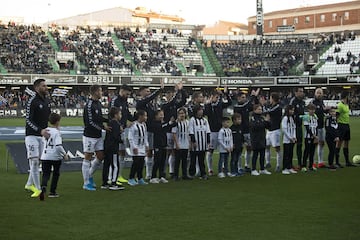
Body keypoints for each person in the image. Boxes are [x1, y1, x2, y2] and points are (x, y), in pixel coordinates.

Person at [24, 78, 51, 198]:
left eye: (46, 86)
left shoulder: (46, 101)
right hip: (31, 136)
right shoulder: (32, 101)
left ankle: (29, 184)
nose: (46, 88)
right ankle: (39, 190)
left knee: (37, 162)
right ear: (36, 88)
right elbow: (28, 120)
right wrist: (39, 130)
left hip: (42, 136)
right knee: (34, 161)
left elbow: (46, 118)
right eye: (43, 86)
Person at [82, 84, 110, 191]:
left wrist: (108, 120)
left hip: (98, 136)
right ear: (95, 92)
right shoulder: (89, 105)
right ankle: (86, 183)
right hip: (89, 136)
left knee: (100, 156)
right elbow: (89, 122)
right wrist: (103, 127)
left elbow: (98, 118)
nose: (102, 93)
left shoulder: (98, 103)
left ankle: (89, 175)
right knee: (88, 157)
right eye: (100, 91)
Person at [136, 82, 164, 180]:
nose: (148, 93)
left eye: (149, 91)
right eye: (147, 91)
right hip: (144, 130)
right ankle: (145, 174)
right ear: (141, 92)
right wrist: (159, 90)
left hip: (153, 130)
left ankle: (150, 173)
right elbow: (149, 98)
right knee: (146, 151)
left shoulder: (150, 104)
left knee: (151, 151)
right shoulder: (140, 102)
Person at [39, 113, 68, 200]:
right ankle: (52, 191)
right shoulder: (57, 132)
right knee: (56, 174)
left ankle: (43, 187)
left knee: (46, 174)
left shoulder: (45, 131)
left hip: (45, 155)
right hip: (55, 156)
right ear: (58, 122)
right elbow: (58, 145)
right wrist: (64, 154)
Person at [109, 85, 135, 184]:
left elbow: (127, 114)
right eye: (127, 94)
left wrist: (135, 117)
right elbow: (111, 116)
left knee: (122, 153)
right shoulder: (115, 101)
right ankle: (112, 177)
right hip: (116, 131)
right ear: (122, 91)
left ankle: (118, 175)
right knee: (115, 154)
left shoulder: (124, 101)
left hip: (123, 131)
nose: (127, 96)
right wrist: (119, 126)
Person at [161, 82, 187, 178]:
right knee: (167, 152)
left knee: (174, 152)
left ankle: (172, 172)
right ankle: (163, 172)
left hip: (176, 130)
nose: (170, 96)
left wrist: (181, 90)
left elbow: (184, 100)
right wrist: (177, 92)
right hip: (167, 131)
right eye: (169, 94)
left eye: (171, 94)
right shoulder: (164, 105)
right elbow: (172, 102)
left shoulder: (175, 105)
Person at [204, 87, 232, 176]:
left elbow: (230, 103)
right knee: (210, 150)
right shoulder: (208, 105)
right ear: (211, 97)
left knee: (223, 150)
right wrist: (208, 104)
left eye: (217, 97)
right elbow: (205, 113)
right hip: (211, 131)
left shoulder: (220, 104)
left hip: (220, 131)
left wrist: (225, 94)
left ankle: (223, 167)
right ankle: (210, 169)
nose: (216, 98)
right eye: (215, 97)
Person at [233, 88, 260, 173]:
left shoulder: (246, 105)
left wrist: (255, 97)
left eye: (245, 97)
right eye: (243, 97)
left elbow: (255, 106)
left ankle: (247, 165)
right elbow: (244, 106)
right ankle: (239, 167)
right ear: (238, 98)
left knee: (249, 148)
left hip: (248, 130)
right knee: (239, 149)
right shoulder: (237, 107)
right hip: (240, 131)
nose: (245, 99)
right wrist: (252, 96)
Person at [149, 110, 176, 184]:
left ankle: (161, 176)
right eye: (160, 115)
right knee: (157, 161)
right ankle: (153, 177)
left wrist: (173, 121)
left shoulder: (164, 123)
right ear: (156, 116)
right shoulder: (154, 123)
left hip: (164, 144)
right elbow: (160, 127)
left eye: (162, 114)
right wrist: (169, 123)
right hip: (157, 144)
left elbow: (172, 125)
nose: (162, 116)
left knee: (163, 161)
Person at [101, 107, 125, 190]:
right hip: (113, 147)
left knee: (106, 165)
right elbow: (115, 137)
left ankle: (105, 182)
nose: (121, 115)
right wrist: (121, 140)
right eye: (120, 114)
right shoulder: (116, 124)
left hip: (107, 146)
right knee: (115, 165)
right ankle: (113, 182)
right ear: (116, 115)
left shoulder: (110, 123)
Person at [189, 104, 211, 180]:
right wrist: (193, 141)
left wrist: (208, 142)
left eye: (201, 110)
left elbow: (208, 131)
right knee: (193, 160)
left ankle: (203, 174)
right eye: (199, 110)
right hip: (195, 144)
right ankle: (191, 174)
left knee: (201, 160)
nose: (201, 111)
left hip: (203, 144)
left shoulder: (204, 120)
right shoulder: (192, 120)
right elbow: (191, 131)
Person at [127, 110, 149, 186]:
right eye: (145, 116)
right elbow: (130, 137)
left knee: (141, 163)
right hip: (135, 147)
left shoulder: (144, 125)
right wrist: (134, 147)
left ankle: (140, 178)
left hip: (142, 147)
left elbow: (145, 136)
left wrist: (147, 145)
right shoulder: (134, 125)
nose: (146, 117)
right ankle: (131, 178)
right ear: (140, 116)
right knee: (135, 163)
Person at [249, 104, 271, 176]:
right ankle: (253, 169)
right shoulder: (253, 118)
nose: (260, 110)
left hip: (262, 138)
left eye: (261, 109)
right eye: (259, 109)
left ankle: (262, 169)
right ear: (255, 110)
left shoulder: (261, 118)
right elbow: (254, 126)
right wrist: (263, 123)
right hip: (255, 139)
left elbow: (268, 126)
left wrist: (267, 121)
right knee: (255, 154)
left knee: (262, 154)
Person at [335, 91, 356, 167]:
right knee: (339, 143)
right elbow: (336, 116)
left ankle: (347, 162)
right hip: (341, 125)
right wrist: (336, 127)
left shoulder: (347, 105)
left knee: (346, 143)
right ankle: (337, 162)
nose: (350, 97)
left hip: (347, 125)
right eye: (349, 96)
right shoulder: (340, 105)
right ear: (346, 96)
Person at [311, 88, 330, 168]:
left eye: (320, 93)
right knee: (314, 144)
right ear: (315, 94)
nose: (319, 94)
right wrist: (323, 109)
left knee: (321, 143)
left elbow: (323, 111)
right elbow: (312, 112)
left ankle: (320, 162)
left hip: (322, 126)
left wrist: (327, 110)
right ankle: (313, 162)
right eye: (318, 93)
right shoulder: (313, 102)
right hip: (315, 127)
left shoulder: (321, 101)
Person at [264, 92, 282, 172]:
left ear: (273, 98)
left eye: (270, 98)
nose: (269, 100)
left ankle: (278, 165)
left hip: (275, 130)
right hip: (269, 130)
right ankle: (268, 162)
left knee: (277, 148)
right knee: (267, 146)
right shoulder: (272, 106)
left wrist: (263, 105)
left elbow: (268, 112)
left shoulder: (277, 106)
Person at [172, 107, 191, 180]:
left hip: (185, 143)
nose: (182, 115)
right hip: (179, 143)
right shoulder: (176, 123)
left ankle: (184, 174)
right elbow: (174, 133)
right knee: (177, 160)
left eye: (183, 113)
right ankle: (175, 175)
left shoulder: (187, 122)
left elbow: (188, 133)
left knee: (184, 160)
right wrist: (176, 144)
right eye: (180, 113)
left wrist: (189, 143)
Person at [289, 87, 305, 170]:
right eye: (300, 91)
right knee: (291, 145)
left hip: (299, 127)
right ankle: (290, 164)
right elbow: (291, 114)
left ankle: (300, 163)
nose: (302, 93)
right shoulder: (293, 101)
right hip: (292, 127)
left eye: (302, 91)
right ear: (296, 93)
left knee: (299, 145)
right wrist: (299, 117)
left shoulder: (303, 102)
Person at [281, 105, 298, 175]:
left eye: (293, 110)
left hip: (292, 139)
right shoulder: (285, 118)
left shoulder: (291, 118)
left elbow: (294, 128)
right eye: (291, 110)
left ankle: (289, 167)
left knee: (291, 153)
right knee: (286, 154)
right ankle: (284, 168)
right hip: (287, 140)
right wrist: (290, 138)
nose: (292, 111)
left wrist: (294, 137)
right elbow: (284, 129)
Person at [301, 103, 318, 172]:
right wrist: (313, 135)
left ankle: (311, 166)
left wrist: (316, 136)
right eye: (311, 109)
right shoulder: (306, 117)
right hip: (308, 137)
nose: (312, 111)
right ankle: (303, 166)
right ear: (308, 110)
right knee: (307, 151)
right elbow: (307, 128)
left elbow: (316, 127)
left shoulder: (315, 116)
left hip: (314, 136)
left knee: (312, 152)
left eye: (313, 109)